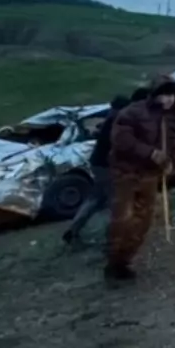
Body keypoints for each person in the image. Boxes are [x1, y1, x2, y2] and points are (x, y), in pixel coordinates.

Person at [104, 77, 175, 281]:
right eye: (164, 94)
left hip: (150, 177)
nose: (168, 100)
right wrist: (149, 152)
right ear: (155, 94)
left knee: (143, 220)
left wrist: (173, 163)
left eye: (172, 95)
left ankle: (125, 260)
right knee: (122, 218)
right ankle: (113, 261)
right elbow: (120, 138)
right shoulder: (134, 112)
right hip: (127, 173)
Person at [63, 89, 148, 245]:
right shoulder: (120, 121)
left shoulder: (112, 117)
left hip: (98, 163)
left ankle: (72, 231)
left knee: (95, 199)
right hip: (107, 166)